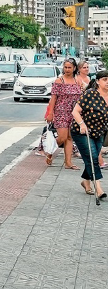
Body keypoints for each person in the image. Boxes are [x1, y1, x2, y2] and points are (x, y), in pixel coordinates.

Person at [71, 70, 108, 198]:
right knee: (93, 157)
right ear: (97, 81)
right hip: (82, 131)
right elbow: (75, 111)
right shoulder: (90, 94)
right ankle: (98, 188)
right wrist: (82, 124)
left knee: (91, 157)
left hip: (99, 132)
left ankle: (86, 181)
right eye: (104, 79)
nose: (107, 82)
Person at [45, 58, 80, 169]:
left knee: (70, 137)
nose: (67, 69)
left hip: (73, 113)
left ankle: (68, 162)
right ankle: (50, 151)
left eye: (70, 67)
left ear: (74, 68)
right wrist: (50, 114)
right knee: (62, 137)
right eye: (65, 67)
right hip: (61, 112)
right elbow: (53, 98)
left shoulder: (77, 81)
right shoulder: (59, 81)